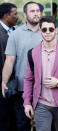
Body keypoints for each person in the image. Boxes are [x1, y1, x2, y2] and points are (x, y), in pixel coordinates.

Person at [1, 1, 42, 130]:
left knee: (45, 125)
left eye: (38, 11)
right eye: (32, 11)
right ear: (25, 14)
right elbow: (9, 60)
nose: (36, 14)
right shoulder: (15, 34)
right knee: (22, 124)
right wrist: (4, 81)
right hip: (23, 89)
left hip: (46, 88)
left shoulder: (49, 31)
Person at [0, 3, 18, 131]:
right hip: (4, 83)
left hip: (13, 84)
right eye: (15, 14)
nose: (17, 17)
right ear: (6, 16)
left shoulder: (14, 31)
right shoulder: (1, 35)